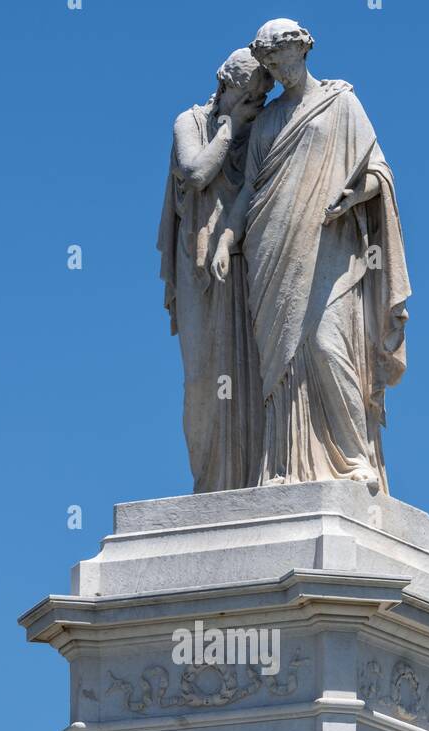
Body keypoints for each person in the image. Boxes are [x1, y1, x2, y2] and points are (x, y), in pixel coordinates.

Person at [212, 19, 411, 491]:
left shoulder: (341, 103)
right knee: (279, 361)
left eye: (280, 58)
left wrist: (353, 194)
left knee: (326, 344)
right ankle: (284, 468)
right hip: (270, 249)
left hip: (328, 245)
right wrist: (225, 237)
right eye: (269, 63)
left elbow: (379, 171)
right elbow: (250, 192)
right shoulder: (266, 121)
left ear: (302, 49)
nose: (276, 69)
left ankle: (354, 457)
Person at [158, 48, 272, 492]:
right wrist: (230, 129)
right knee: (204, 375)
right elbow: (195, 172)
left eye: (261, 98)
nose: (257, 105)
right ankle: (210, 483)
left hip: (245, 257)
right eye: (249, 97)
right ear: (226, 88)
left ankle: (252, 478)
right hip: (197, 261)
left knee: (254, 369)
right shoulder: (190, 121)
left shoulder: (261, 128)